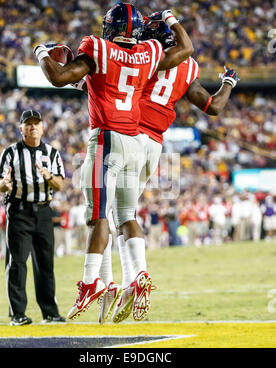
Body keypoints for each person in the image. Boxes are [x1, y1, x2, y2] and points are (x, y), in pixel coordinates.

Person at [33, 2, 194, 322]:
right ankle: (137, 275)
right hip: (142, 143)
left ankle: (97, 280)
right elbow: (182, 51)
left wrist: (41, 52)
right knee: (123, 214)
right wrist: (171, 20)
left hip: (111, 137)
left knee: (97, 214)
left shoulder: (97, 46)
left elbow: (64, 77)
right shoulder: (149, 53)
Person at [99, 17, 240, 324]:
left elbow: (117, 82)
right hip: (155, 145)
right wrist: (228, 82)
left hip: (131, 136)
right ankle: (128, 282)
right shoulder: (187, 67)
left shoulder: (145, 56)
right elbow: (213, 107)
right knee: (122, 213)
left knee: (117, 214)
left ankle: (131, 278)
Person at [0, 110, 66, 326]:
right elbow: (0, 183)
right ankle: (18, 314)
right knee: (17, 263)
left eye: (36, 123)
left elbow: (60, 184)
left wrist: (49, 177)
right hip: (19, 211)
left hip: (44, 211)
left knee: (45, 264)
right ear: (21, 128)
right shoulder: (10, 152)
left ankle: (50, 313)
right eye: (28, 124)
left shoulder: (52, 153)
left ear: (43, 127)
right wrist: (4, 185)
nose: (32, 127)